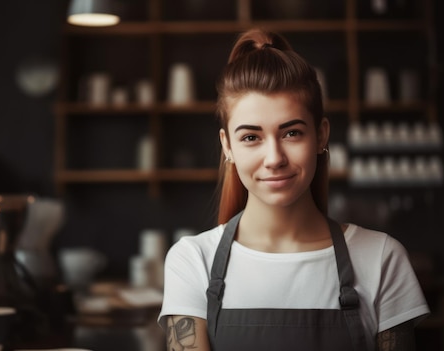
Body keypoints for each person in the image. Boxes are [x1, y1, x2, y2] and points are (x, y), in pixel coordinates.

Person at [158, 28, 429, 351]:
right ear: (226, 146)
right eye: (250, 137)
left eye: (291, 133)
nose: (274, 158)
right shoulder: (193, 261)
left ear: (321, 135)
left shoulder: (382, 258)